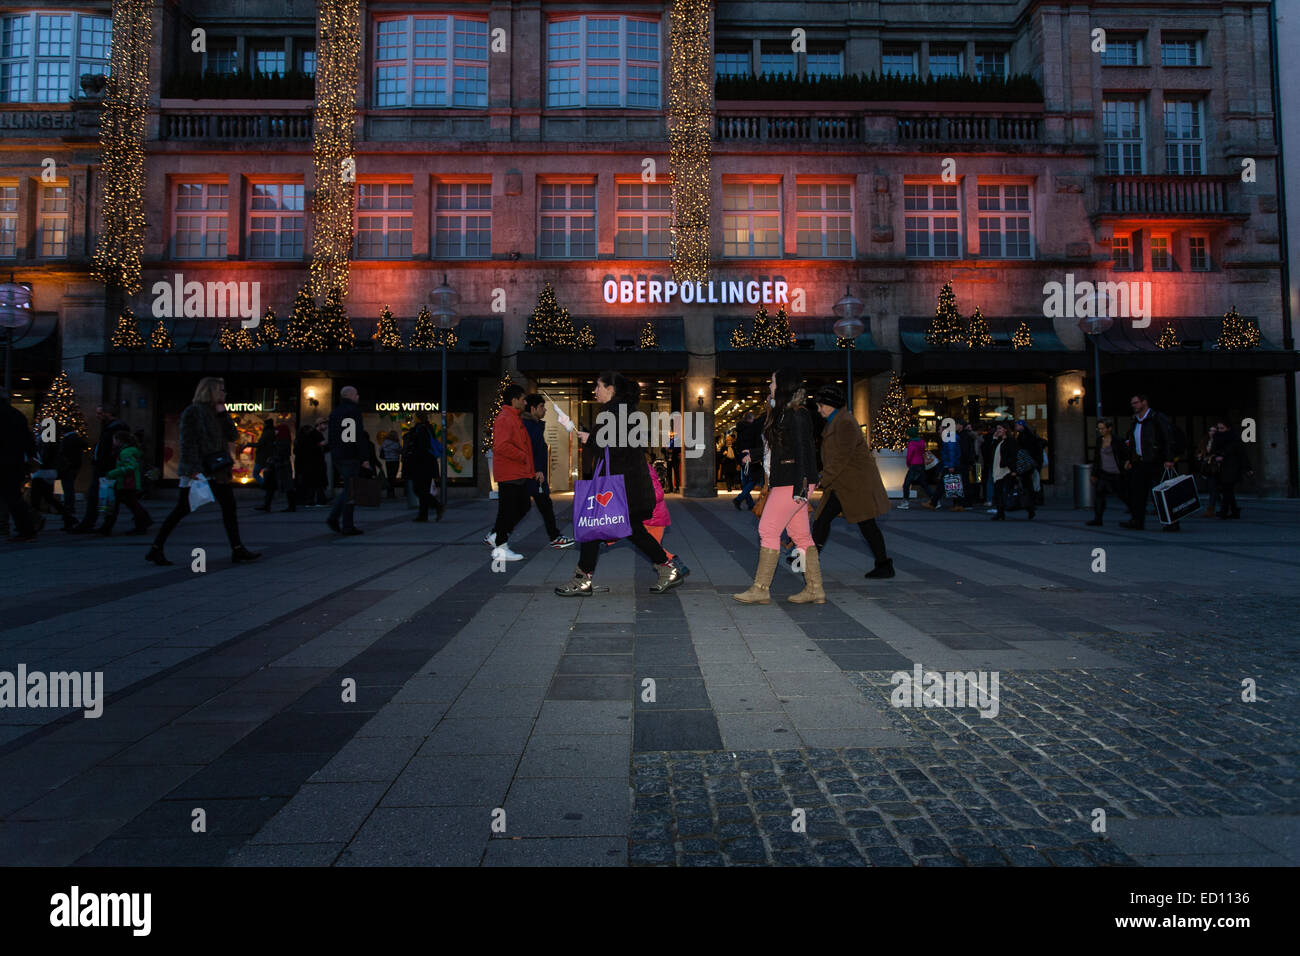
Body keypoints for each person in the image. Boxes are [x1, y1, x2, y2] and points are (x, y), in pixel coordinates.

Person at [555, 371, 688, 596]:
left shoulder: (612, 412)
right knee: (631, 530)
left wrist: (591, 439)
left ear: (611, 389)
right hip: (627, 486)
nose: (594, 391)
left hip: (622, 487)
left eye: (598, 386)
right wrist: (593, 439)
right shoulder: (624, 411)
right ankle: (668, 567)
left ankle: (582, 579)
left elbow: (615, 447)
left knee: (595, 529)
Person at [147, 377, 259, 565]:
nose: (224, 393)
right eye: (221, 390)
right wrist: (192, 469)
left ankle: (237, 548)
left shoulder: (218, 412)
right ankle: (156, 548)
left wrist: (224, 415)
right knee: (182, 509)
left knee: (229, 507)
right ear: (211, 391)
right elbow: (187, 441)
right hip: (199, 469)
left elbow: (232, 435)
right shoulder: (194, 412)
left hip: (218, 469)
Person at [734, 366, 821, 605]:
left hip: (792, 482)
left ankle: (761, 588)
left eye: (772, 382)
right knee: (801, 535)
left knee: (767, 530)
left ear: (783, 386)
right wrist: (753, 454)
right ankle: (815, 588)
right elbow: (779, 449)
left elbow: (804, 451)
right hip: (790, 481)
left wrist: (801, 488)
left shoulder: (797, 414)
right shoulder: (784, 413)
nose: (769, 386)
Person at [809, 384, 894, 579]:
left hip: (855, 484)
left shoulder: (845, 422)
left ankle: (884, 564)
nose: (819, 409)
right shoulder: (836, 421)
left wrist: (823, 477)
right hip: (843, 484)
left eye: (822, 405)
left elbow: (841, 457)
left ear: (832, 404)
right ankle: (808, 560)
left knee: (865, 524)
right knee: (823, 520)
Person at [1121, 393, 1179, 532]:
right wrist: (1130, 458)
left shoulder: (1156, 418)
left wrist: (1169, 459)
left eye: (1136, 403)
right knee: (1138, 493)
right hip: (1140, 462)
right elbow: (1133, 441)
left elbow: (1168, 438)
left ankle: (1171, 523)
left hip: (1156, 461)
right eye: (1132, 403)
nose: (1134, 406)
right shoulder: (1136, 421)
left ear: (1144, 402)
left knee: (1162, 492)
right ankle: (1137, 521)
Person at [523, 394, 574, 548]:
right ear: (532, 409)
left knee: (525, 507)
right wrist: (538, 470)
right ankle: (555, 537)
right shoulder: (529, 426)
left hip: (534, 474)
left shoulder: (533, 425)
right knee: (543, 506)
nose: (544, 410)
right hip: (535, 475)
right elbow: (531, 450)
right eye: (541, 407)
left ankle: (497, 533)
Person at [72, 405, 128, 532]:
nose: (97, 416)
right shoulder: (110, 427)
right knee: (106, 495)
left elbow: (113, 448)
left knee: (106, 496)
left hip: (106, 466)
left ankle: (97, 522)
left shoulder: (115, 428)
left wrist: (105, 462)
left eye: (99, 413)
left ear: (107, 413)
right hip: (103, 465)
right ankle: (97, 522)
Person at [0, 387, 39, 541]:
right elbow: (28, 441)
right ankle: (27, 527)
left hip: (4, 462)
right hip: (14, 463)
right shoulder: (17, 415)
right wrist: (30, 458)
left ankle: (24, 527)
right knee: (13, 497)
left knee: (11, 498)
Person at [326, 386, 365, 535]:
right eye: (356, 394)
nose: (358, 396)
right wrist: (363, 457)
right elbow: (356, 435)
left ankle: (336, 518)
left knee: (349, 489)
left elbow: (332, 436)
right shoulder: (352, 411)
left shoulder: (335, 412)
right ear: (351, 395)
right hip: (350, 455)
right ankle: (345, 524)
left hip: (338, 455)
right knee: (350, 491)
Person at [99, 431, 152, 535]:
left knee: (120, 504)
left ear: (119, 441)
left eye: (114, 440)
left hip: (126, 482)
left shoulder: (125, 453)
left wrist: (113, 473)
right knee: (130, 504)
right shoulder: (129, 451)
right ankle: (143, 522)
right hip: (128, 482)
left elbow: (130, 467)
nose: (113, 442)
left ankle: (108, 527)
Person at [29, 427, 78, 530]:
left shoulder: (45, 442)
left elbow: (43, 458)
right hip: (50, 472)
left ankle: (35, 520)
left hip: (43, 472)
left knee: (37, 498)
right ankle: (67, 517)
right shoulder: (55, 442)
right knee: (48, 497)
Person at [1086, 419, 1129, 526]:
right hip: (1104, 473)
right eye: (1098, 428)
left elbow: (1126, 453)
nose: (1100, 430)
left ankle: (1136, 515)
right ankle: (1098, 519)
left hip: (1116, 473)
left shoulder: (1117, 440)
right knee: (1099, 495)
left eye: (1102, 428)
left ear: (1109, 428)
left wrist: (1127, 463)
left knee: (1123, 495)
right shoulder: (1099, 440)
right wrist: (1094, 474)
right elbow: (1097, 458)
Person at [403, 412, 444, 522]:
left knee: (420, 489)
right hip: (427, 464)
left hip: (422, 464)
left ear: (418, 418)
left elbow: (421, 447)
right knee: (422, 489)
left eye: (415, 417)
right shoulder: (427, 428)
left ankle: (435, 506)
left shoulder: (421, 429)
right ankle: (424, 514)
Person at [990, 422, 1035, 520]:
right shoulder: (1000, 441)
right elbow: (992, 452)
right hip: (998, 469)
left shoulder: (1011, 441)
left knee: (1012, 491)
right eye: (997, 429)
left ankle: (1029, 508)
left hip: (1007, 470)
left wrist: (1014, 470)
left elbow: (1013, 456)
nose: (998, 431)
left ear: (1005, 430)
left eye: (1000, 429)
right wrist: (994, 439)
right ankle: (1000, 512)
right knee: (998, 492)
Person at [923, 419, 966, 511]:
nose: (939, 431)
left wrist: (950, 465)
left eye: (940, 429)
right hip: (951, 464)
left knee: (945, 484)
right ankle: (956, 504)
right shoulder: (951, 437)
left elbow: (951, 452)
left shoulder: (949, 437)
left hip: (950, 464)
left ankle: (934, 502)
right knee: (951, 483)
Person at [1212, 418, 1249, 520]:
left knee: (1227, 489)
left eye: (1222, 428)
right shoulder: (1217, 437)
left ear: (1228, 428)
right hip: (1222, 467)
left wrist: (1247, 467)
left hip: (1232, 466)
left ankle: (1224, 511)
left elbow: (1240, 453)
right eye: (1218, 428)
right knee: (1228, 490)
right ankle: (1234, 510)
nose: (1220, 430)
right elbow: (1214, 450)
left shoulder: (1234, 438)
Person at [255, 423, 296, 512]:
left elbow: (282, 454)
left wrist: (272, 460)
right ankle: (267, 505)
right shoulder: (280, 440)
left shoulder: (282, 441)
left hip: (281, 467)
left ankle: (291, 506)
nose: (275, 432)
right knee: (272, 486)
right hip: (278, 467)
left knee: (285, 486)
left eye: (277, 430)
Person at [897, 426, 934, 509]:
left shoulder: (911, 443)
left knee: (906, 484)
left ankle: (905, 502)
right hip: (921, 464)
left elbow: (910, 455)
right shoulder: (921, 441)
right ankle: (935, 500)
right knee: (924, 484)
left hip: (914, 465)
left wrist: (908, 463)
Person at [734, 411, 765, 510]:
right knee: (755, 479)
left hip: (742, 456)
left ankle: (750, 503)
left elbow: (737, 445)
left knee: (745, 481)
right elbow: (757, 443)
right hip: (751, 455)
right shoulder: (753, 429)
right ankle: (739, 499)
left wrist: (739, 459)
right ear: (751, 419)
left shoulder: (740, 429)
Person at [294, 423, 327, 508]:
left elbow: (297, 451)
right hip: (314, 463)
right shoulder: (311, 439)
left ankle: (308, 500)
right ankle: (319, 500)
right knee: (317, 483)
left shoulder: (300, 439)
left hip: (305, 464)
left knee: (309, 483)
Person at [1014, 420, 1045, 505]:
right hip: (1031, 461)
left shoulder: (1025, 436)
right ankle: (1034, 498)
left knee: (1029, 481)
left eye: (1017, 425)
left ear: (1022, 426)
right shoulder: (1028, 435)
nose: (1016, 427)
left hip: (1028, 461)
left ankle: (1031, 499)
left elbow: (1026, 448)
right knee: (1033, 480)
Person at [1196, 426, 1221, 517]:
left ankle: (1211, 509)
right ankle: (1223, 506)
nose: (1213, 432)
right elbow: (1200, 451)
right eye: (1211, 430)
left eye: (1215, 431)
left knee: (1213, 488)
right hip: (1208, 468)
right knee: (1213, 489)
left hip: (1216, 468)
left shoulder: (1219, 442)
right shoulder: (1205, 441)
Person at [380, 430, 402, 499]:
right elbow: (400, 450)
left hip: (388, 461)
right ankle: (392, 493)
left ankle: (389, 492)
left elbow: (381, 449)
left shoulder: (385, 442)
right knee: (393, 477)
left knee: (389, 476)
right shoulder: (396, 443)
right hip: (395, 460)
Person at [252, 418, 274, 485]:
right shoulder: (271, 432)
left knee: (255, 473)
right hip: (267, 456)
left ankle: (264, 484)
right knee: (266, 472)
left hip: (262, 456)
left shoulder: (266, 433)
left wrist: (248, 444)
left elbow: (260, 444)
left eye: (264, 424)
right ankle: (267, 485)